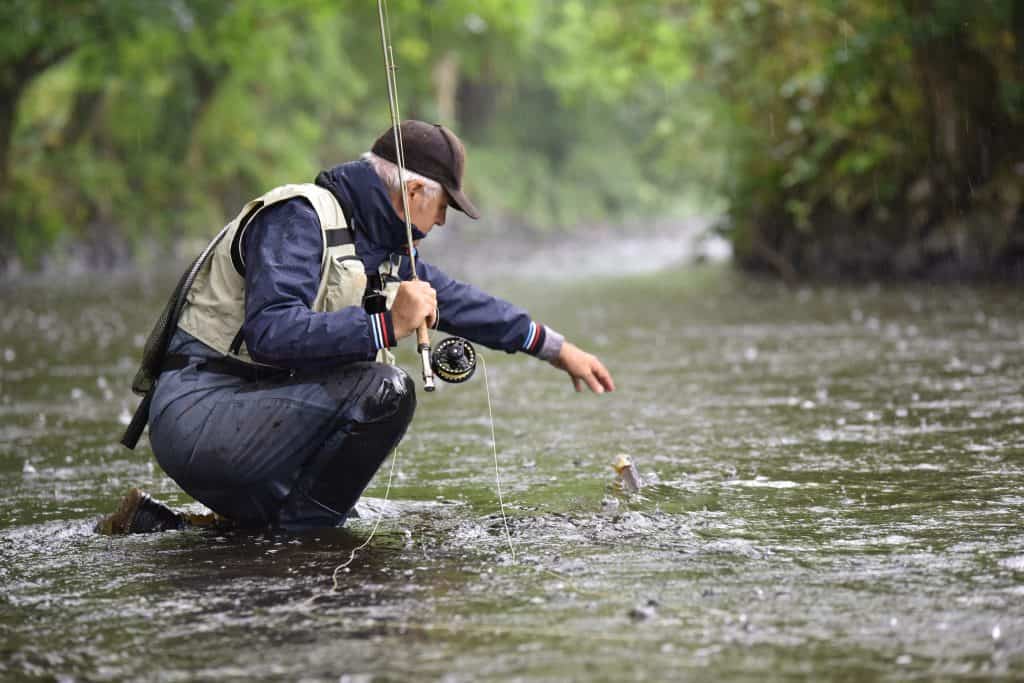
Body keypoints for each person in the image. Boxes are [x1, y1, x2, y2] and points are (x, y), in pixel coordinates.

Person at [102, 120, 614, 534]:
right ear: (414, 190)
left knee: (280, 521)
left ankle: (162, 527)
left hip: (254, 419)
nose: (441, 222)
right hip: (200, 414)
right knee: (384, 390)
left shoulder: (384, 249)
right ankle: (307, 541)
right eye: (444, 207)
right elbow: (271, 333)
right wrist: (386, 324)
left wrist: (557, 349)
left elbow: (462, 304)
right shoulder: (298, 218)